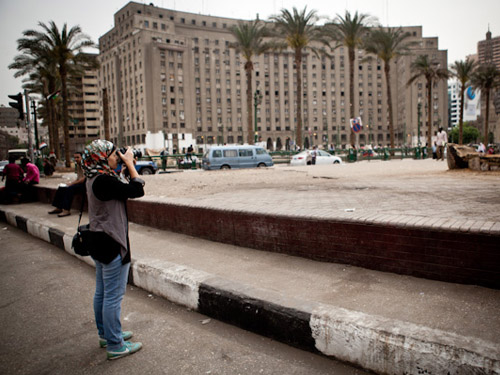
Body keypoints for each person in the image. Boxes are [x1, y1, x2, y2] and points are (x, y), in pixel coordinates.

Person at [81, 140, 145, 360]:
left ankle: (106, 334)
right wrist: (131, 165)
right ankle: (115, 345)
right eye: (113, 154)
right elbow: (137, 190)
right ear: (101, 157)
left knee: (102, 292)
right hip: (112, 242)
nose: (116, 157)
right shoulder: (104, 181)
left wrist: (124, 166)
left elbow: (121, 187)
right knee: (113, 297)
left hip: (98, 240)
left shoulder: (93, 177)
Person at [48, 152, 85, 217]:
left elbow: (83, 179)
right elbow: (78, 178)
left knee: (70, 189)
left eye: (78, 157)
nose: (76, 159)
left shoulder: (85, 165)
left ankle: (66, 210)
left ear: (82, 157)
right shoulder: (77, 166)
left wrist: (72, 184)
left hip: (85, 185)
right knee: (62, 187)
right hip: (79, 183)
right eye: (75, 158)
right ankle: (58, 207)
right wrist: (69, 183)